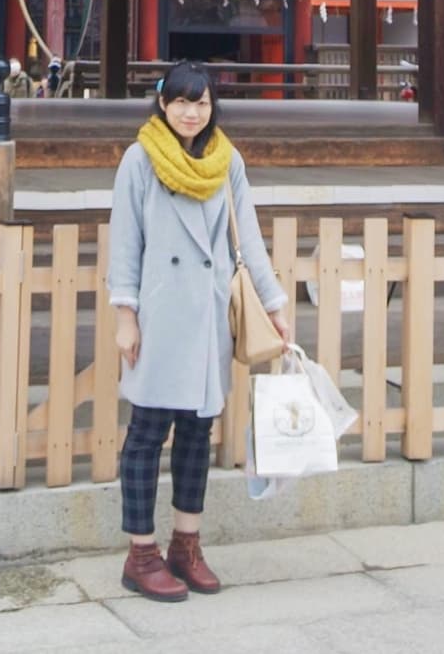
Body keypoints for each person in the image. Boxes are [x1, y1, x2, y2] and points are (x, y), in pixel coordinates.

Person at [108, 59, 290, 602]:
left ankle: (185, 545)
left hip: (208, 314)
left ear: (213, 107)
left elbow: (247, 238)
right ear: (163, 103)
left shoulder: (226, 160)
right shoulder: (140, 159)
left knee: (196, 431)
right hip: (160, 312)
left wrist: (274, 303)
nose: (192, 112)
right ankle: (141, 553)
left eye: (202, 102)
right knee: (147, 431)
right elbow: (125, 241)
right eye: (182, 102)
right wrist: (125, 315)